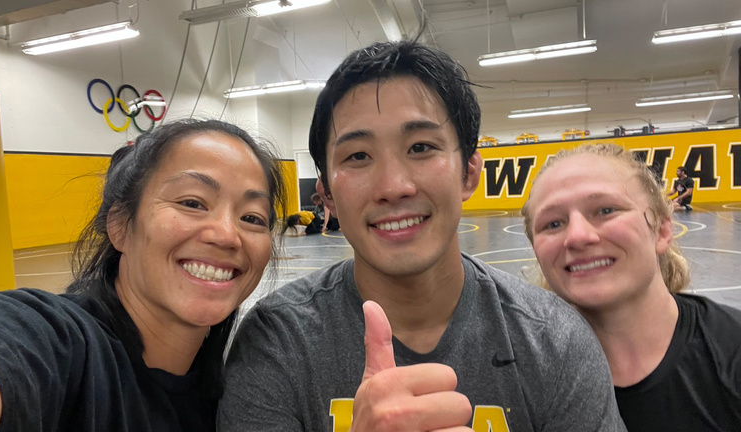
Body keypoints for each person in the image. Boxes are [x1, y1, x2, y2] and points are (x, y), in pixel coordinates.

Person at [219, 40, 625, 431]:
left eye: (421, 147)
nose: (394, 186)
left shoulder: (554, 341)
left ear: (468, 174)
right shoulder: (278, 342)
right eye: (358, 156)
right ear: (327, 196)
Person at [0, 119, 286, 431]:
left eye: (252, 218)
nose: (227, 235)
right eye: (192, 203)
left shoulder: (243, 394)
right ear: (120, 226)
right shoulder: (49, 339)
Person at [521, 143, 741, 431]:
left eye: (606, 210)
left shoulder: (732, 349)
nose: (577, 236)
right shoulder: (519, 374)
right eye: (552, 224)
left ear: (662, 230)